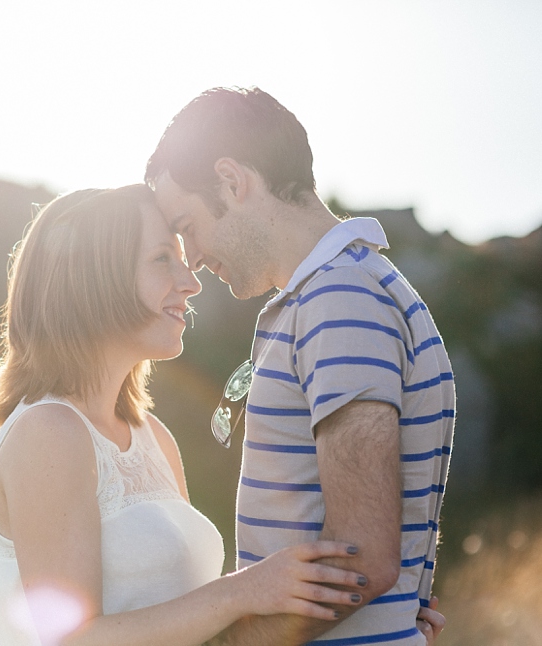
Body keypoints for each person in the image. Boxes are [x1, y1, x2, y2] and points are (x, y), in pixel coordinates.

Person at [0, 185, 373, 646]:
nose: (191, 281)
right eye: (163, 258)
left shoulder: (153, 437)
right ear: (95, 277)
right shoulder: (47, 432)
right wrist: (240, 591)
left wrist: (359, 620)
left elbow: (190, 624)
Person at [145, 86, 453, 646]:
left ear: (233, 182)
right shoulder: (338, 293)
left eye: (187, 226)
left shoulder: (340, 301)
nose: (192, 259)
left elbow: (362, 560)